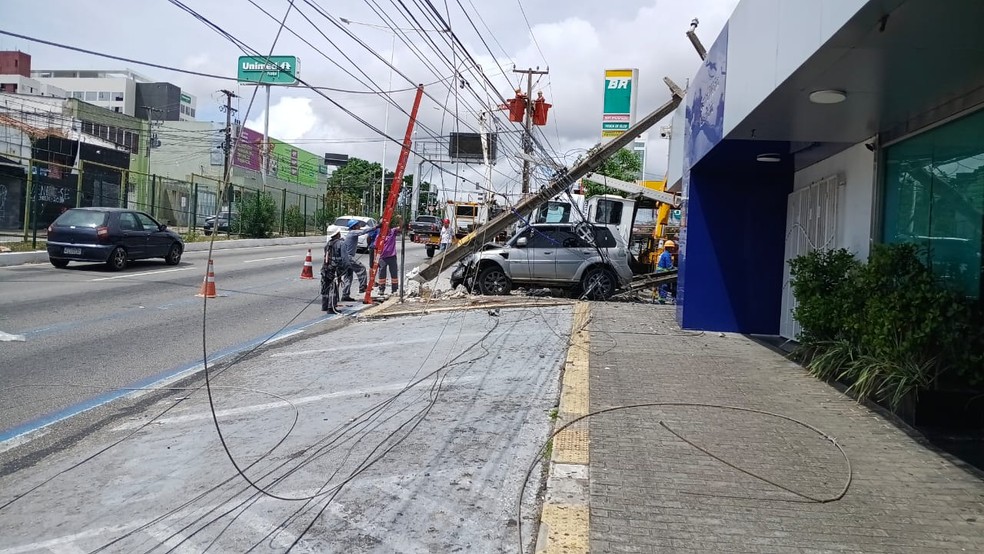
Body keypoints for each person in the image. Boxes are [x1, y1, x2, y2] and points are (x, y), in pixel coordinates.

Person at [340, 220, 377, 302]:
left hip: (346, 258)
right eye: (357, 225)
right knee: (361, 268)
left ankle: (345, 295)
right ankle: (362, 287)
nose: (359, 226)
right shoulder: (352, 232)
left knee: (348, 276)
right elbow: (363, 232)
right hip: (349, 257)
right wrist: (375, 227)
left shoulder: (351, 233)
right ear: (354, 226)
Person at [375, 216, 402, 298]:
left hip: (392, 256)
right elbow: (376, 248)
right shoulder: (379, 236)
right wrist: (376, 260)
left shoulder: (392, 232)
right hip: (382, 258)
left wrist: (400, 219)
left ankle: (394, 290)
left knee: (394, 273)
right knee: (382, 274)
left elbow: (401, 228)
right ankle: (381, 289)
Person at [321, 230, 343, 313]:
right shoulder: (339, 244)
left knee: (325, 287)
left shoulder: (328, 244)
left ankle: (324, 306)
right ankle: (331, 308)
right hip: (332, 269)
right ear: (337, 234)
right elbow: (343, 258)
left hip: (325, 268)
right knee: (333, 288)